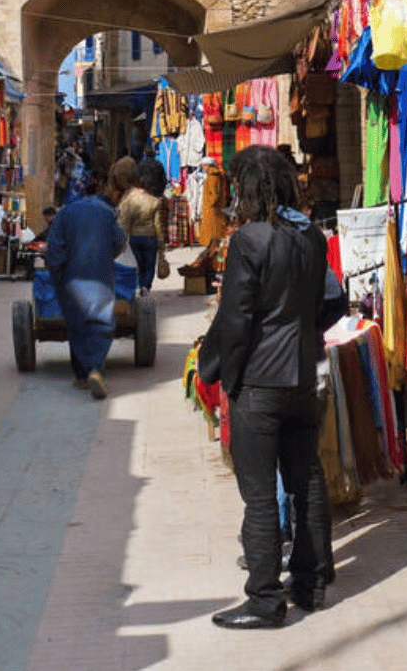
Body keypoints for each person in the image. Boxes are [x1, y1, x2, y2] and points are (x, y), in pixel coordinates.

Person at [199, 146, 346, 629]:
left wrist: (220, 370)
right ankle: (310, 582)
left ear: (249, 188)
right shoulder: (312, 238)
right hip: (304, 375)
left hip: (261, 379)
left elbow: (236, 318)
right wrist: (303, 332)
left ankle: (264, 599)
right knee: (305, 480)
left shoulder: (250, 240)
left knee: (260, 494)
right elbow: (334, 303)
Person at [44, 165, 128, 399]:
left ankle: (81, 375)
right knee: (100, 322)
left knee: (77, 323)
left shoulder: (64, 214)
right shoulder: (106, 214)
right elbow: (119, 243)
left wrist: (57, 274)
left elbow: (54, 250)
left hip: (72, 276)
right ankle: (96, 369)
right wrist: (105, 256)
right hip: (101, 273)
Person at [119, 159, 168, 297]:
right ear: (151, 186)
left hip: (135, 237)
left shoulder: (131, 200)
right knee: (149, 265)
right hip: (150, 237)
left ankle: (140, 285)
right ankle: (146, 287)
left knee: (138, 264)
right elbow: (158, 225)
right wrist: (161, 243)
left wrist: (123, 238)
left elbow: (126, 220)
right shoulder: (154, 202)